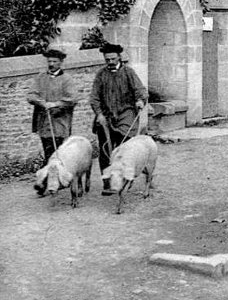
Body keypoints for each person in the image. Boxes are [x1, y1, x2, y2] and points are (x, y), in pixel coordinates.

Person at [90, 43, 147, 195]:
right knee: (105, 150)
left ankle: (125, 179)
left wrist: (140, 100)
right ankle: (108, 183)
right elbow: (94, 97)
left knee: (125, 149)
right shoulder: (101, 75)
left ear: (119, 57)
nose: (110, 62)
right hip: (107, 116)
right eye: (107, 59)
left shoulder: (129, 72)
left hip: (125, 114)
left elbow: (140, 91)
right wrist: (99, 114)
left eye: (113, 58)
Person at [27, 48, 78, 167]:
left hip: (60, 121)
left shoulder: (67, 79)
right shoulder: (41, 77)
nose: (51, 64)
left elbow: (73, 99)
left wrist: (55, 104)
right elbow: (31, 95)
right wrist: (41, 102)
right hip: (44, 121)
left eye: (54, 61)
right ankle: (50, 178)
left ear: (61, 62)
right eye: (49, 61)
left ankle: (60, 176)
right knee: (47, 149)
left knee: (59, 150)